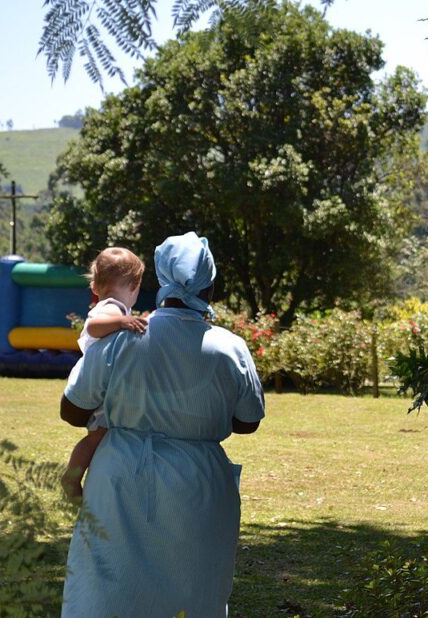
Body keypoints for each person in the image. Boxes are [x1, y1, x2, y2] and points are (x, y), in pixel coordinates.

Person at [59, 231, 265, 618]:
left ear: (158, 278)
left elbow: (72, 410)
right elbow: (247, 422)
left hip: (120, 478)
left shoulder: (124, 337)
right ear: (211, 284)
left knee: (110, 588)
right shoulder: (229, 346)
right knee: (193, 587)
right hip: (199, 484)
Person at [61, 247, 148, 501]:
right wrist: (122, 322)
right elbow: (93, 327)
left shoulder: (113, 307)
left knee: (99, 439)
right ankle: (72, 477)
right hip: (96, 391)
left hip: (99, 387)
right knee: (95, 439)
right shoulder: (112, 308)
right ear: (134, 286)